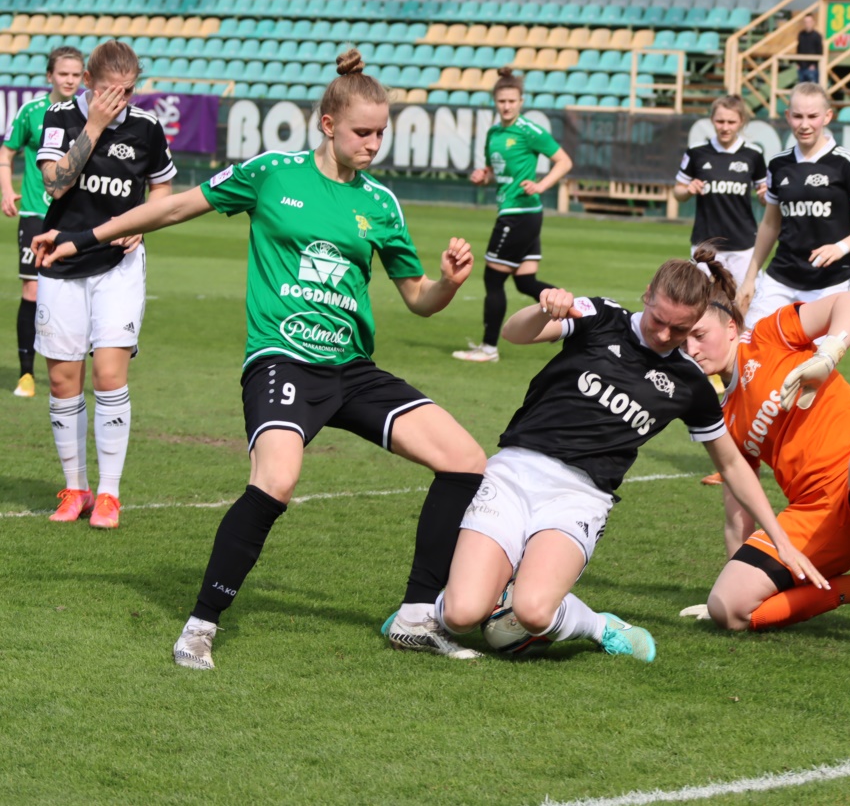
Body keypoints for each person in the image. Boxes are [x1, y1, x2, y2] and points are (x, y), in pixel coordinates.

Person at [36, 50, 490, 670]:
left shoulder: (382, 203)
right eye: (362, 131)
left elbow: (418, 299)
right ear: (327, 124)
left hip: (351, 367)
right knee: (276, 480)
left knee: (466, 461)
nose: (373, 143)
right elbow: (174, 206)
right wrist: (82, 238)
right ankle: (200, 626)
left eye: (381, 133)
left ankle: (415, 616)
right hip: (283, 360)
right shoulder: (272, 172)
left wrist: (449, 284)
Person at [413, 249, 826, 662]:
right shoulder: (600, 316)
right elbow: (513, 334)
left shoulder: (690, 383)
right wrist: (543, 310)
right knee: (461, 614)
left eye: (680, 329)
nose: (663, 335)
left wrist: (780, 539)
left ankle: (600, 626)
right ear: (647, 295)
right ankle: (464, 601)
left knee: (534, 612)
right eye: (658, 320)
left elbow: (732, 464)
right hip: (514, 472)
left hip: (579, 496)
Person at [683, 280, 850, 663]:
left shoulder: (768, 336)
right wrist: (732, 579)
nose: (692, 350)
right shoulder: (722, 416)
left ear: (730, 327)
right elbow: (738, 509)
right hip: (818, 512)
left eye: (700, 335)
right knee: (729, 610)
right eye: (684, 341)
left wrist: (828, 354)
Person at [33, 40, 173, 529]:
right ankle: (75, 489)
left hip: (118, 265)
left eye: (128, 91)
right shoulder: (60, 116)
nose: (120, 100)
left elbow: (162, 187)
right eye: (111, 90)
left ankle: (109, 494)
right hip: (61, 259)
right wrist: (92, 126)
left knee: (109, 375)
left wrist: (142, 221)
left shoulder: (147, 127)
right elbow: (55, 185)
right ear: (89, 82)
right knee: (61, 380)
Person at [736, 82, 850, 330]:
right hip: (781, 278)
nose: (804, 124)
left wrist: (840, 248)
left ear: (827, 116)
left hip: (831, 281)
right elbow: (770, 224)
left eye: (813, 116)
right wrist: (750, 279)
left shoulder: (846, 162)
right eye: (798, 116)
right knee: (751, 344)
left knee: (818, 355)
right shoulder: (778, 164)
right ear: (787, 116)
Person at [453, 67, 572, 363]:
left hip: (519, 215)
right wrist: (483, 176)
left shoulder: (529, 130)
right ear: (495, 101)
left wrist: (541, 185)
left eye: (511, 101)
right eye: (501, 101)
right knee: (525, 282)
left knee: (493, 280)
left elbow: (563, 161)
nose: (506, 106)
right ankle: (578, 314)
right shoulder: (493, 134)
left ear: (521, 101)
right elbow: (495, 173)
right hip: (520, 214)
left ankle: (488, 349)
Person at [3, 45, 83, 398]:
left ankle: (71, 370)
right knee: (33, 290)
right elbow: (7, 150)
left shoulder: (88, 113)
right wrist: (7, 190)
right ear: (50, 75)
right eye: (63, 73)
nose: (69, 80)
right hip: (36, 212)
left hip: (75, 215)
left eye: (76, 74)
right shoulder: (32, 111)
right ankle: (26, 374)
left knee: (77, 291)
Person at [672, 94, 767, 288]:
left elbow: (765, 195)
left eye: (731, 122)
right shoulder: (696, 152)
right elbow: (678, 192)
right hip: (705, 243)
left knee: (747, 297)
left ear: (741, 121)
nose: (725, 127)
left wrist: (765, 196)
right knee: (702, 297)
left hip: (743, 244)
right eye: (720, 121)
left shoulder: (753, 154)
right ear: (712, 120)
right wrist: (688, 190)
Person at [795, 13, 822, 85]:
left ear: (813, 22)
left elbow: (819, 51)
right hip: (801, 67)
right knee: (802, 89)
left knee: (813, 89)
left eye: (809, 22)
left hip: (812, 68)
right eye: (806, 22)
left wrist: (814, 65)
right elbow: (798, 49)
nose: (807, 24)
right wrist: (798, 63)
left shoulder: (817, 36)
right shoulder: (801, 34)